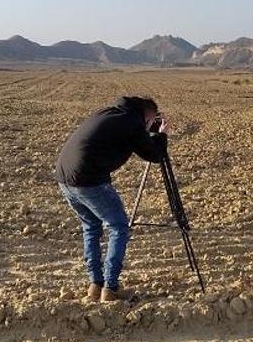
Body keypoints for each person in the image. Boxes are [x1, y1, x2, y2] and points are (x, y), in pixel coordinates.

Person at [55, 96, 168, 302]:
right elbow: (154, 155)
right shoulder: (132, 123)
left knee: (91, 226)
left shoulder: (109, 113)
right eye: (152, 120)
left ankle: (95, 285)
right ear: (148, 114)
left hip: (65, 178)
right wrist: (161, 136)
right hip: (89, 180)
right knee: (118, 227)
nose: (151, 124)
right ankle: (111, 288)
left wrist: (147, 130)